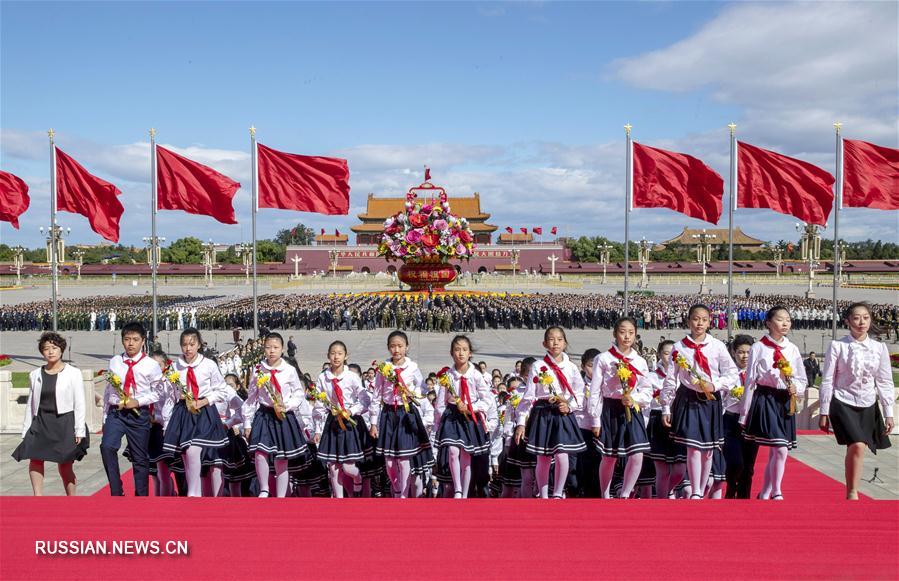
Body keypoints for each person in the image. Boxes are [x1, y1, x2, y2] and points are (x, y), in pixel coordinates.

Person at [661, 305, 738, 500]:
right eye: (695, 319)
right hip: (688, 398)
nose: (699, 323)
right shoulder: (679, 347)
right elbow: (671, 378)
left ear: (709, 322)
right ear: (688, 321)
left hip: (710, 400)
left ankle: (702, 488)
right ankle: (695, 490)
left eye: (704, 319)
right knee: (693, 447)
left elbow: (731, 372)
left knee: (708, 450)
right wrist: (665, 406)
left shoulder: (717, 346)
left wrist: (715, 385)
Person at [818, 302, 895, 500]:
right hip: (843, 401)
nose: (861, 322)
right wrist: (824, 411)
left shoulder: (879, 348)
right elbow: (827, 379)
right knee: (858, 444)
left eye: (865, 318)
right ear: (848, 321)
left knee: (859, 446)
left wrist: (889, 413)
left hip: (868, 402)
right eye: (856, 318)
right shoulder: (838, 346)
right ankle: (852, 492)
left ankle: (851, 488)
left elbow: (885, 381)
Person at [740, 306, 808, 500]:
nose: (785, 323)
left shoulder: (792, 349)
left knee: (779, 448)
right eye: (780, 319)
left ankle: (767, 491)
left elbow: (801, 379)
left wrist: (796, 388)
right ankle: (777, 490)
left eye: (788, 319)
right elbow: (750, 380)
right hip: (766, 398)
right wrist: (745, 413)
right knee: (779, 446)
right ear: (769, 322)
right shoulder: (758, 348)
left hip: (785, 401)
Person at [12, 332, 89, 495]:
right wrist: (26, 429)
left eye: (54, 348)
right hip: (41, 422)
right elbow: (30, 404)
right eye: (46, 349)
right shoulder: (35, 375)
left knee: (65, 463)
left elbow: (80, 403)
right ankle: (38, 497)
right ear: (42, 352)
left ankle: (71, 499)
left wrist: (79, 430)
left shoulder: (73, 373)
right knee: (35, 457)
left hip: (64, 422)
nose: (51, 352)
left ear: (61, 350)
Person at [514, 327, 586, 499]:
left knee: (562, 454)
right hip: (543, 413)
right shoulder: (539, 366)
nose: (556, 343)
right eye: (551, 339)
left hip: (562, 413)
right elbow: (529, 395)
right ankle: (543, 494)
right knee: (544, 457)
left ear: (565, 342)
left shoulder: (571, 367)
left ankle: (558, 492)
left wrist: (570, 407)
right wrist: (521, 422)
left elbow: (580, 392)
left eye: (560, 339)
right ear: (544, 343)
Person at [589, 317, 652, 499]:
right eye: (623, 332)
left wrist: (634, 399)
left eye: (631, 333)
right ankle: (605, 494)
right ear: (615, 334)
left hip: (632, 409)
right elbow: (595, 390)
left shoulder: (639, 361)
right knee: (609, 457)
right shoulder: (603, 359)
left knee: (637, 454)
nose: (627, 336)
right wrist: (595, 418)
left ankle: (625, 493)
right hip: (610, 409)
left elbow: (647, 391)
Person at [162, 328, 229, 497]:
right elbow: (170, 395)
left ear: (199, 344)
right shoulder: (175, 367)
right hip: (183, 411)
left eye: (192, 344)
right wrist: (166, 420)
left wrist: (204, 401)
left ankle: (193, 492)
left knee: (193, 450)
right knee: (185, 453)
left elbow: (221, 390)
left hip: (203, 412)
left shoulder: (208, 365)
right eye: (184, 345)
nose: (188, 348)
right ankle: (194, 489)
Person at [368, 330, 434, 498]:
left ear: (406, 347)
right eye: (392, 346)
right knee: (390, 461)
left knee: (404, 458)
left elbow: (423, 387)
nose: (396, 350)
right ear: (388, 348)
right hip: (389, 414)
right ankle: (396, 487)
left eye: (400, 346)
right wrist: (374, 423)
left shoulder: (412, 367)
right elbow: (376, 396)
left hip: (406, 414)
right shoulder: (384, 369)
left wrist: (415, 392)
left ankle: (402, 495)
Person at [243, 333, 310, 497]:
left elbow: (298, 394)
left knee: (281, 458)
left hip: (283, 416)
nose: (271, 351)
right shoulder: (258, 369)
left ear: (282, 349)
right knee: (260, 452)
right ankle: (264, 488)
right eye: (268, 347)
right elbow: (251, 397)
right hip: (264, 415)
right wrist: (247, 422)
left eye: (275, 347)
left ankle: (281, 495)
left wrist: (286, 406)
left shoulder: (289, 370)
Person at [99, 322, 162, 496]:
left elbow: (158, 392)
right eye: (127, 339)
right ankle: (116, 490)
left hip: (138, 414)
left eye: (135, 339)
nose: (131, 344)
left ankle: (141, 495)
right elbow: (108, 390)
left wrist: (138, 401)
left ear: (143, 341)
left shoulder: (151, 365)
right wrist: (105, 415)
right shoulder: (115, 361)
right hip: (117, 412)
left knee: (139, 458)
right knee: (107, 447)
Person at [434, 336, 491, 498]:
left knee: (466, 455)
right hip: (452, 416)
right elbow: (441, 401)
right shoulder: (448, 376)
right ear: (451, 353)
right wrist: (437, 424)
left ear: (470, 353)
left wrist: (473, 408)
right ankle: (457, 488)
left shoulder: (476, 375)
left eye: (464, 350)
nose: (461, 353)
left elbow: (487, 399)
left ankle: (464, 492)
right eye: (457, 350)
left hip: (469, 416)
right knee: (452, 451)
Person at [313, 341, 372, 498]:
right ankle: (338, 499)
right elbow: (319, 405)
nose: (336, 356)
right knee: (333, 466)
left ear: (346, 356)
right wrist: (317, 429)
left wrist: (351, 411)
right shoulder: (323, 378)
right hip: (332, 422)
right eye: (333, 353)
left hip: (349, 423)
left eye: (339, 353)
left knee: (348, 466)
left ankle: (357, 477)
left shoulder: (352, 377)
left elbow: (365, 400)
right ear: (328, 356)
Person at [647, 340, 686, 499]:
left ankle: (667, 491)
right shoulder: (651, 376)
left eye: (673, 354)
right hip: (658, 421)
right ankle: (662, 500)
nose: (669, 357)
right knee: (662, 470)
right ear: (658, 355)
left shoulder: (684, 376)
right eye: (665, 353)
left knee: (679, 470)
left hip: (678, 421)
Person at [722, 335, 759, 499]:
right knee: (735, 461)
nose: (745, 356)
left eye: (748, 352)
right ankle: (731, 487)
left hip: (751, 422)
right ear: (733, 353)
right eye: (740, 352)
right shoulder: (728, 374)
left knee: (749, 466)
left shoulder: (758, 373)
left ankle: (744, 497)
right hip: (731, 421)